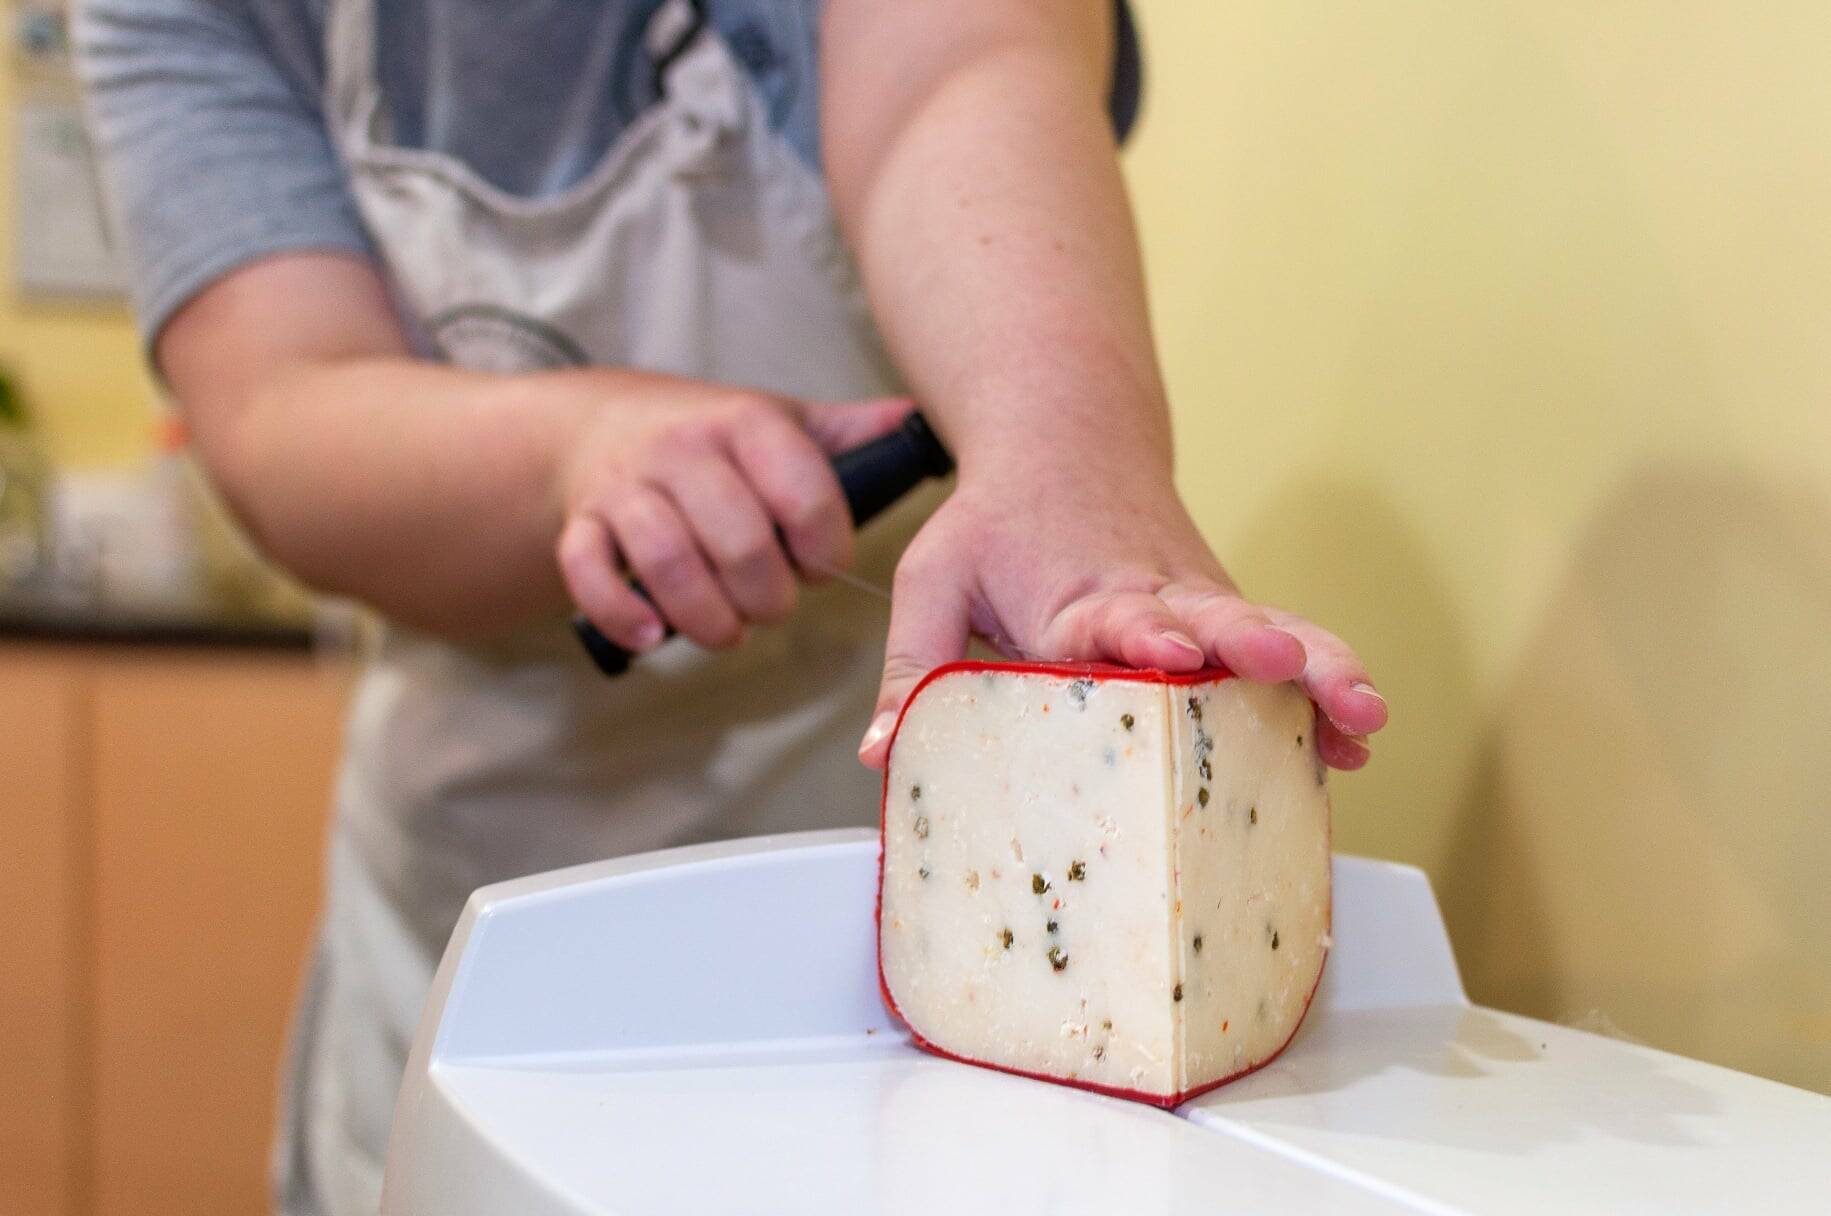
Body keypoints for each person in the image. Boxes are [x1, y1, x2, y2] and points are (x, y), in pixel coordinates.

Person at [76, 1, 1388, 1212]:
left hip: (946, 909)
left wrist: (1069, 454)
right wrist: (570, 456)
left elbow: (958, 67)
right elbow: (274, 406)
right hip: (473, 895)